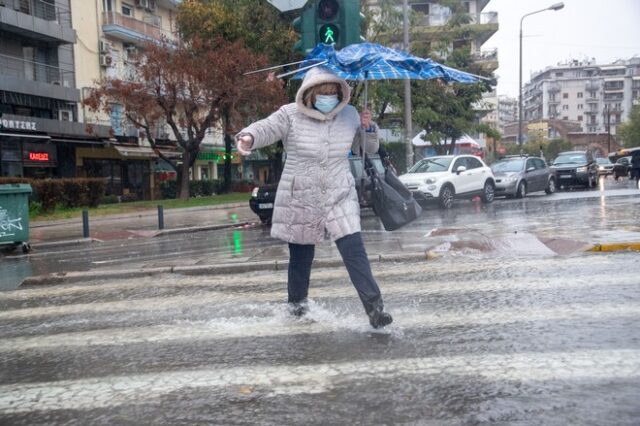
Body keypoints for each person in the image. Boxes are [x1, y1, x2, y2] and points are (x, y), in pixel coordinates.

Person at [235, 66, 393, 328]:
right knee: (300, 256)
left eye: (333, 92)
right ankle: (297, 310)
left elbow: (369, 149)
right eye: (323, 93)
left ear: (341, 93)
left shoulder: (350, 114)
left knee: (355, 251)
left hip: (339, 193)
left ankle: (376, 311)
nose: (328, 98)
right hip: (302, 194)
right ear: (309, 93)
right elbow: (267, 127)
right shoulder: (290, 114)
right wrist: (249, 136)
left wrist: (368, 128)